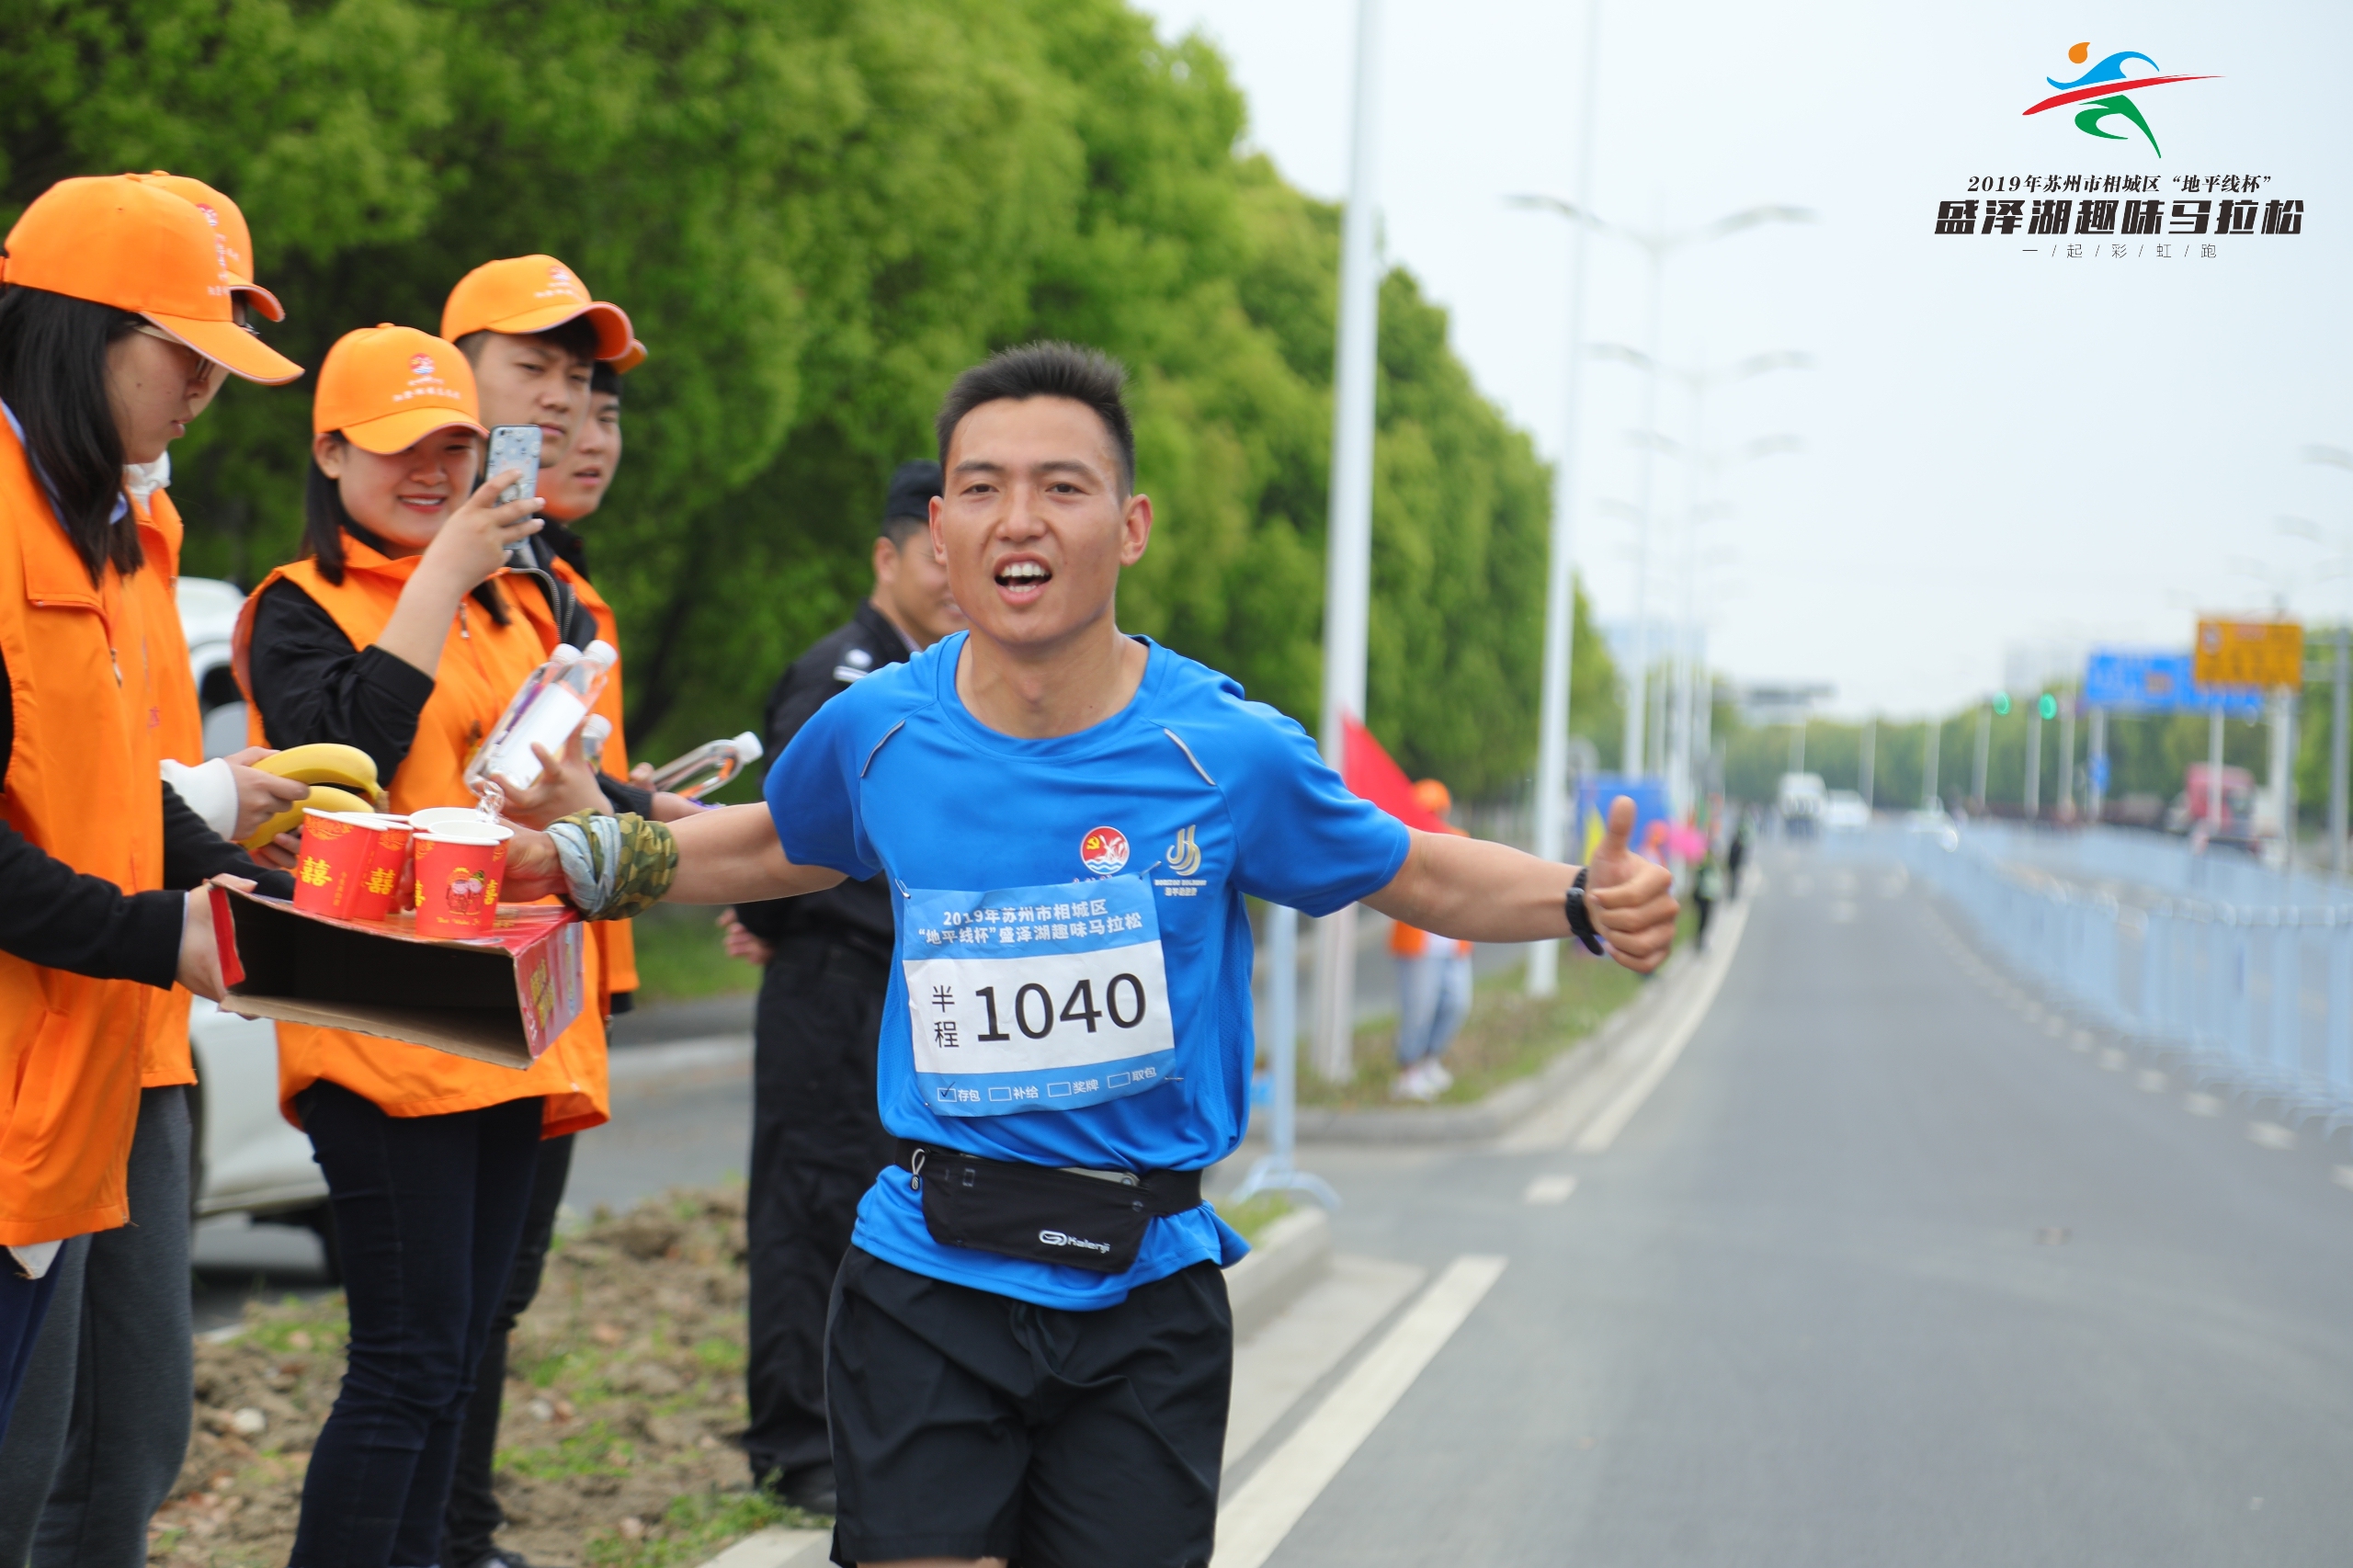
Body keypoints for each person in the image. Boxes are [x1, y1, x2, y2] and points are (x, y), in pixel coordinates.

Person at [505, 341, 1678, 1567]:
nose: (1020, 517)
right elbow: (764, 849)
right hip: (928, 1271)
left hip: (1144, 1289)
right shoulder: (879, 728)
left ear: (1130, 526)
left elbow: (1419, 869)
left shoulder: (1224, 750)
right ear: (941, 531)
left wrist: (1583, 900)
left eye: (1062, 486)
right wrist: (595, 860)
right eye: (982, 486)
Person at [234, 322, 616, 1568]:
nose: (431, 472)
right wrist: (444, 571)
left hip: (503, 1015)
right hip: (377, 1022)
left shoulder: (530, 600)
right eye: (400, 446)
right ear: (331, 447)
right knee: (400, 1365)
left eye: (454, 446)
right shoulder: (295, 608)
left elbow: (549, 788)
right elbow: (355, 751)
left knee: (456, 1359)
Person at [0, 171, 316, 1568]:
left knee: (118, 1443)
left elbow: (116, 787)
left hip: (111, 1049)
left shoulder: (116, 522)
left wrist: (237, 891)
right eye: (183, 353)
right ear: (77, 331)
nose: (203, 390)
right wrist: (160, 932)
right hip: (33, 1050)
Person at [439, 337, 667, 1568]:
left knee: (499, 1291)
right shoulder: (451, 578)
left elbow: (574, 773)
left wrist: (651, 812)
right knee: (441, 1317)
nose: (576, 415)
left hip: (573, 967)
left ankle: (462, 1525)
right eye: (537, 371)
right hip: (469, 974)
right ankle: (447, 1530)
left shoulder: (562, 590)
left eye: (595, 397)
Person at [721, 458, 965, 1510]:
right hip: (833, 982)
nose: (959, 578)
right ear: (888, 555)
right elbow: (785, 831)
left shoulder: (944, 676)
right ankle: (798, 1444)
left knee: (886, 1208)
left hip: (902, 990)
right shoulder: (849, 676)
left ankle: (863, 1430)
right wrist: (772, 922)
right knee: (809, 1208)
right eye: (936, 556)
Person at [1388, 778, 1474, 1102]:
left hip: (1453, 943)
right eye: (1426, 811)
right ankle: (1407, 1070)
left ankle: (1429, 1061)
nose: (1433, 816)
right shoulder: (1403, 845)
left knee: (1456, 1003)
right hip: (1417, 945)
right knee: (1418, 1009)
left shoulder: (1460, 841)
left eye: (1437, 810)